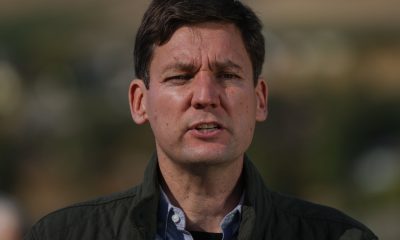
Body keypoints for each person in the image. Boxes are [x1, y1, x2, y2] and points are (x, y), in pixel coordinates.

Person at [25, 0, 378, 239]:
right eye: (180, 76)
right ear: (139, 102)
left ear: (259, 100)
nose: (206, 96)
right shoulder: (63, 234)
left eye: (227, 75)